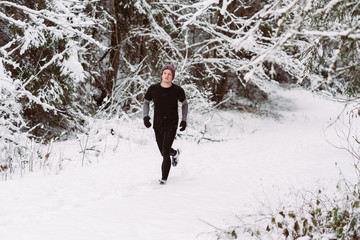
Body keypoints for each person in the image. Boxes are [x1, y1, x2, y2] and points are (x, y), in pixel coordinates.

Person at [143, 64, 188, 185]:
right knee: (164, 152)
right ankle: (175, 153)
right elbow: (146, 102)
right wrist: (145, 117)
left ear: (173, 76)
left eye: (169, 74)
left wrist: (184, 120)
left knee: (165, 150)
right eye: (165, 73)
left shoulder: (177, 90)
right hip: (158, 123)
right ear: (161, 74)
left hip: (171, 123)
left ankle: (164, 179)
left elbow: (184, 103)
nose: (167, 76)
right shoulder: (154, 88)